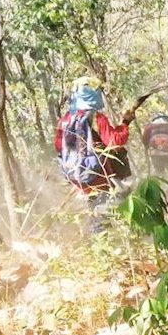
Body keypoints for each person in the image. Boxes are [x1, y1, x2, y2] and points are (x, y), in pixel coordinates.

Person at [54, 76, 135, 227]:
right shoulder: (96, 117)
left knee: (96, 208)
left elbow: (58, 146)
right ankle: (109, 241)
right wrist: (125, 123)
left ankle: (103, 241)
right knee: (106, 211)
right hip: (99, 173)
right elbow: (115, 142)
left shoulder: (65, 120)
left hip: (76, 175)